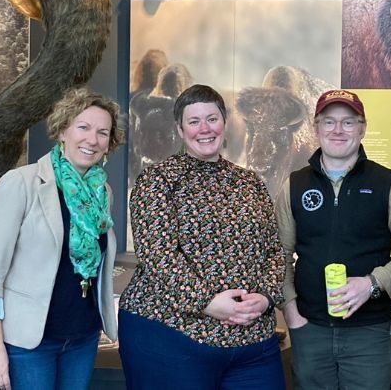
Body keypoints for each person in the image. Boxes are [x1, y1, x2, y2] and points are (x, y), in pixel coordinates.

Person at [119, 84, 287, 389]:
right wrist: (207, 302)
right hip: (172, 335)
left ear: (224, 122)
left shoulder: (250, 182)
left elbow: (273, 251)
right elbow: (158, 255)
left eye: (212, 118)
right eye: (193, 121)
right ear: (180, 130)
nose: (204, 129)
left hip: (251, 341)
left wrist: (264, 297)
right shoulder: (158, 180)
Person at [0, 87, 125, 390]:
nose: (92, 139)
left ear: (109, 143)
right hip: (30, 341)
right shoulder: (21, 184)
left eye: (103, 132)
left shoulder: (101, 193)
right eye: (83, 127)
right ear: (63, 130)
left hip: (83, 335)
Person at [276, 89, 391, 390]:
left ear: (362, 128)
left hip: (369, 332)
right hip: (309, 328)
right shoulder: (294, 185)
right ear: (316, 128)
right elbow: (280, 255)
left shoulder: (389, 183)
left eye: (348, 122)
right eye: (329, 122)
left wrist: (373, 283)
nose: (338, 130)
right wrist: (292, 314)